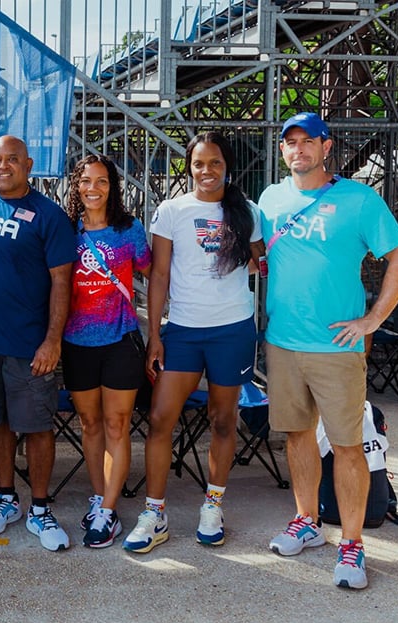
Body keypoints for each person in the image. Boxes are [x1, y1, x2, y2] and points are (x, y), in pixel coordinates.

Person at [259, 112, 398, 589]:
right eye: (290, 142)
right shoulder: (271, 199)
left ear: (327, 147)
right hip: (283, 343)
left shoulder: (359, 198)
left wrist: (372, 321)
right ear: (282, 150)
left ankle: (351, 544)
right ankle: (307, 522)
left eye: (309, 141)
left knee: (348, 446)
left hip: (336, 347)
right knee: (298, 436)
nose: (299, 149)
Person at [123, 131, 264, 554]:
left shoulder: (248, 211)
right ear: (190, 167)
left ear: (228, 166)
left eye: (215, 163)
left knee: (223, 420)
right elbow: (160, 275)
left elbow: (262, 261)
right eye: (199, 163)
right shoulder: (172, 210)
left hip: (232, 328)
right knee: (162, 418)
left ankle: (213, 505)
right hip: (182, 330)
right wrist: (155, 336)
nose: (207, 171)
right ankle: (155, 513)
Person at [0, 136, 76, 551]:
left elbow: (62, 283)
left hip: (32, 345)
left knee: (37, 427)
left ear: (29, 164)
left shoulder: (50, 216)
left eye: (13, 159)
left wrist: (52, 341)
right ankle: (7, 499)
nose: (4, 166)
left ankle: (41, 507)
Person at [61, 155, 151, 548]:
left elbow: (156, 271)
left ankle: (109, 509)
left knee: (116, 425)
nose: (92, 188)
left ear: (112, 186)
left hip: (120, 342)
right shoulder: (66, 231)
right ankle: (100, 498)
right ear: (76, 186)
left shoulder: (129, 230)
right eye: (85, 181)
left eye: (101, 181)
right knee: (89, 424)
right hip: (76, 343)